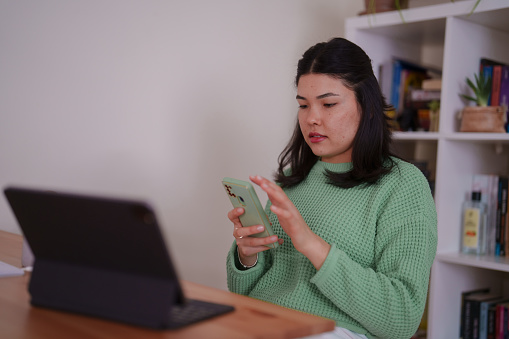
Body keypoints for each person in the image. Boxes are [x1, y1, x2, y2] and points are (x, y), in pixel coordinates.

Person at [225, 37, 437, 339]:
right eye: (303, 105)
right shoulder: (294, 176)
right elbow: (245, 295)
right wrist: (248, 257)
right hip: (263, 323)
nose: (311, 118)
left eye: (329, 104)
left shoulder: (403, 185)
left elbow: (401, 317)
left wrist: (310, 243)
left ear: (368, 106)